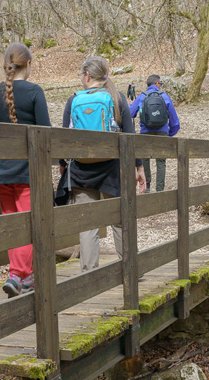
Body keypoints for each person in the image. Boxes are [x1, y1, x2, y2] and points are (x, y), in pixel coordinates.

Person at [61, 56, 146, 273]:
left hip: (82, 172)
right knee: (120, 220)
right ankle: (130, 269)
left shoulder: (73, 101)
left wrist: (62, 165)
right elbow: (130, 135)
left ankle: (88, 274)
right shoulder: (117, 99)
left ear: (87, 76)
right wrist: (139, 167)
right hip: (113, 170)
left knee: (88, 224)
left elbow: (63, 137)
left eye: (81, 75)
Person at [0, 42, 51, 298]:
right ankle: (16, 274)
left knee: (13, 225)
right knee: (30, 224)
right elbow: (45, 134)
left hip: (0, 173)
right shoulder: (34, 93)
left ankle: (25, 276)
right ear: (28, 64)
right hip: (26, 173)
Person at [129, 74, 180, 192]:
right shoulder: (164, 97)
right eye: (160, 83)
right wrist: (169, 133)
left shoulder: (142, 96)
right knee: (161, 162)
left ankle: (146, 188)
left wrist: (131, 104)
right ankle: (159, 190)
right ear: (157, 83)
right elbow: (175, 121)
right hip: (162, 132)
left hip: (145, 132)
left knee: (145, 160)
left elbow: (131, 114)